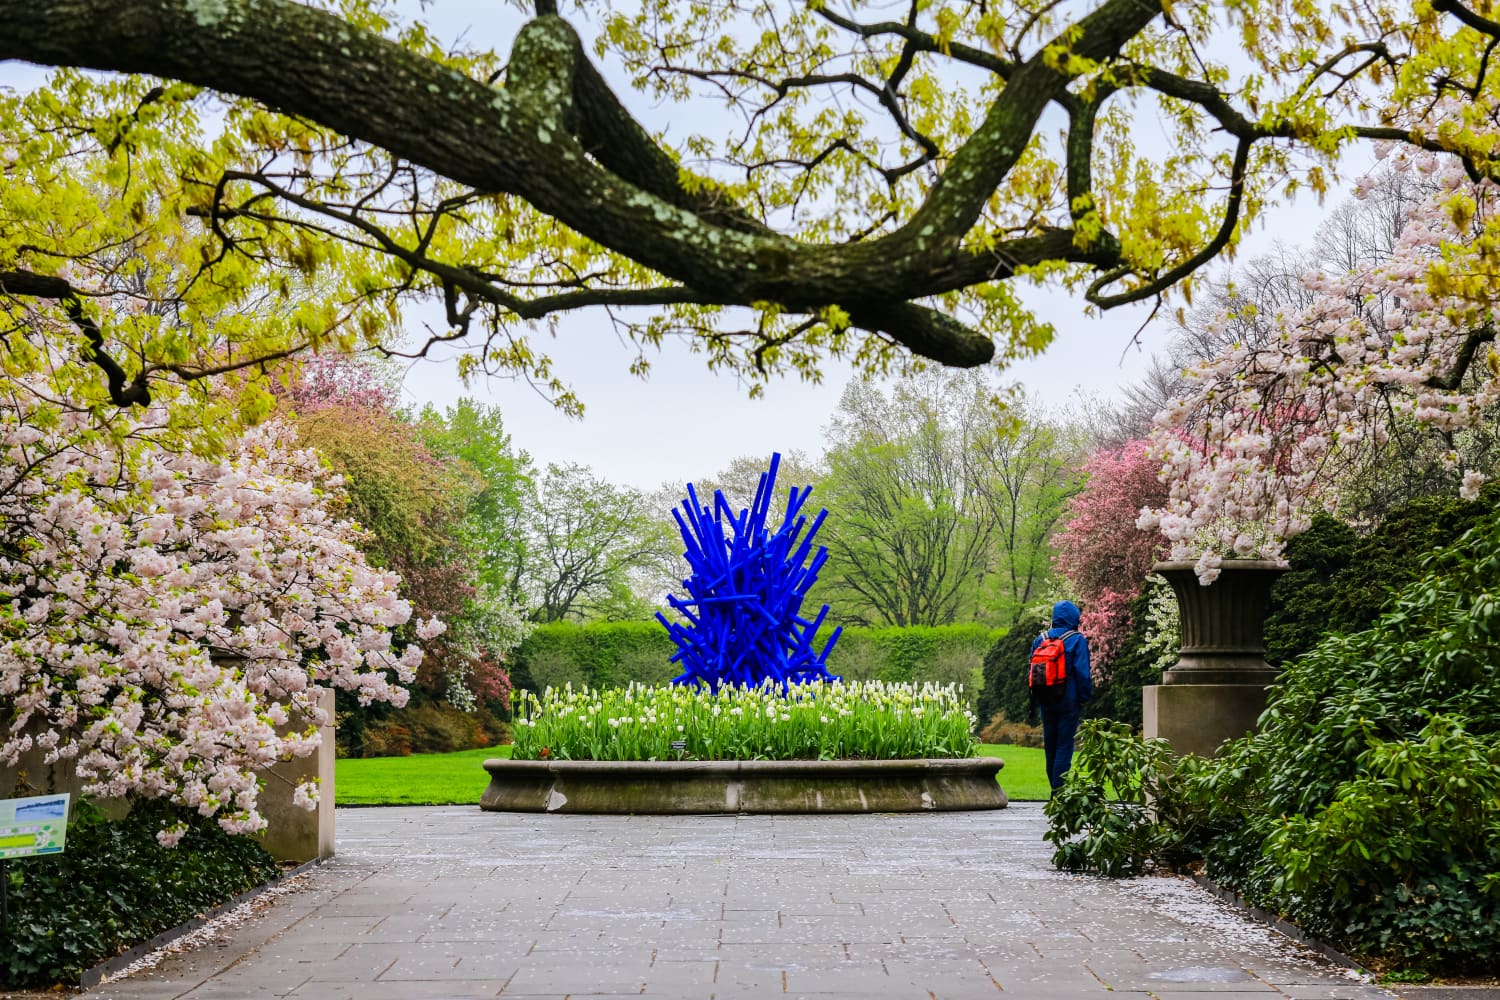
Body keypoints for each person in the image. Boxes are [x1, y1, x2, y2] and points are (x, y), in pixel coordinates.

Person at [1031, 600, 1092, 794]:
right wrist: (1083, 697)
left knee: (1050, 747)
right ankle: (1058, 794)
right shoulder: (1077, 640)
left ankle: (1055, 789)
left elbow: (1031, 671)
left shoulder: (1040, 639)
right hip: (1068, 700)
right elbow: (1082, 673)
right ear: (1074, 617)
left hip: (1045, 700)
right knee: (1064, 748)